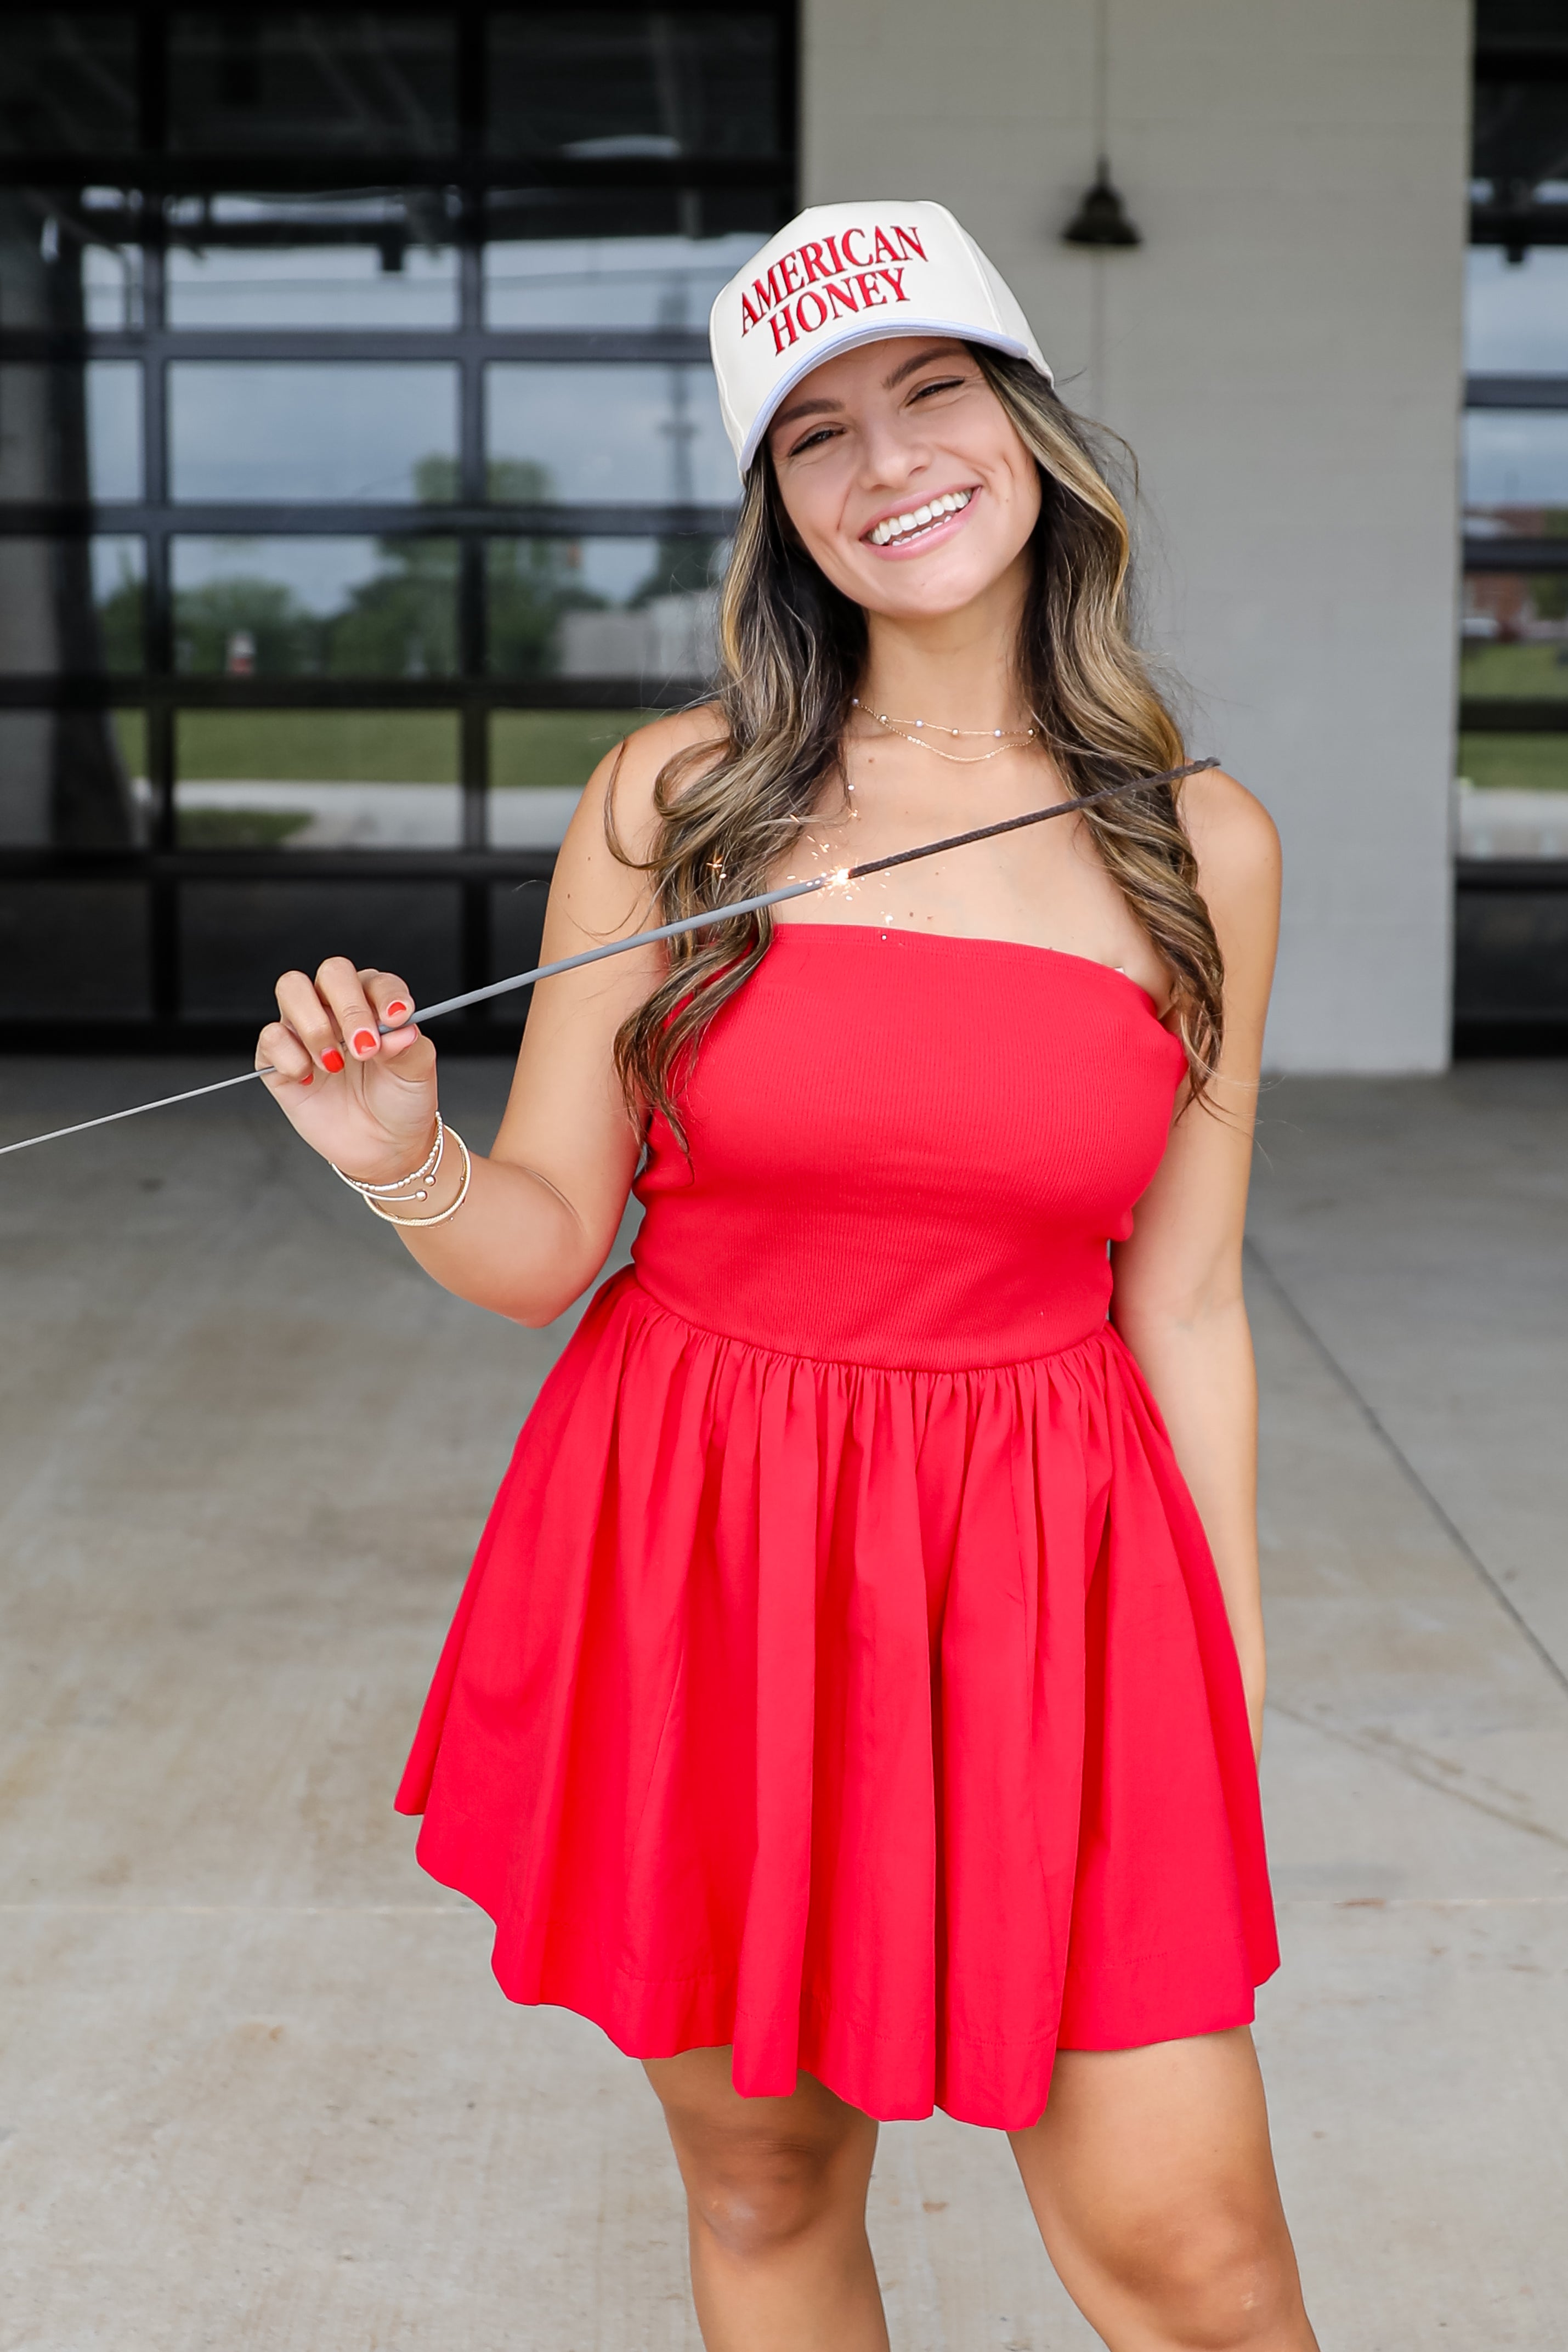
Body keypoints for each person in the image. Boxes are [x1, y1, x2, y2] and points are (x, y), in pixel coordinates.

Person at [257, 201, 1317, 2352]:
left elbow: (1185, 1304)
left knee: (1193, 2259)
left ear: (1028, 435)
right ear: (777, 510)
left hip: (1050, 1563)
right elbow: (545, 1244)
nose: (886, 460)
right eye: (814, 431)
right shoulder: (677, 800)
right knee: (760, 2177)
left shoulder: (1198, 841)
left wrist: (1219, 1680)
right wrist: (407, 1159)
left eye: (933, 391)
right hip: (712, 1539)